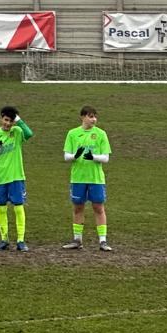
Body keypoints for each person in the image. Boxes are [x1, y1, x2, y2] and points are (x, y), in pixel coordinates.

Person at [63, 106, 113, 251]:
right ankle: (77, 240)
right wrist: (75, 156)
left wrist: (93, 157)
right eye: (91, 116)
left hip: (96, 178)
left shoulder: (101, 134)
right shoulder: (72, 134)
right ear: (82, 117)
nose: (94, 119)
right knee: (78, 207)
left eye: (95, 116)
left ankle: (103, 241)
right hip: (78, 178)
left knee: (98, 207)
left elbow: (106, 158)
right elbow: (66, 156)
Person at [0, 105, 34, 252]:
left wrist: (18, 119)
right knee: (2, 209)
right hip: (0, 177)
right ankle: (4, 240)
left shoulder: (18, 131)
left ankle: (21, 240)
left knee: (18, 208)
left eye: (11, 121)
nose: (8, 123)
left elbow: (30, 133)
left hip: (16, 177)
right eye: (6, 120)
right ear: (1, 118)